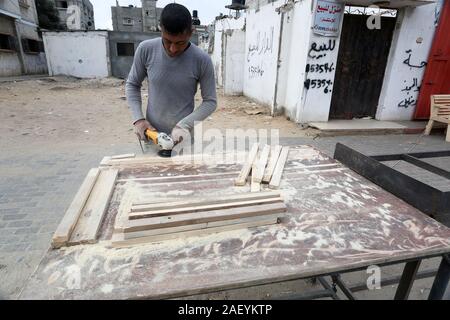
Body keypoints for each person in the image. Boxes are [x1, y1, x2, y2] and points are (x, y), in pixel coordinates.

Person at [126, 3, 217, 146]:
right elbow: (132, 84)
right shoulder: (146, 50)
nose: (173, 49)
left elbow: (210, 101)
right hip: (152, 135)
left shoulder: (202, 60)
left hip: (183, 137)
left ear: (191, 32)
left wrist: (185, 125)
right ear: (160, 29)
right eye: (167, 41)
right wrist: (138, 119)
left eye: (180, 43)